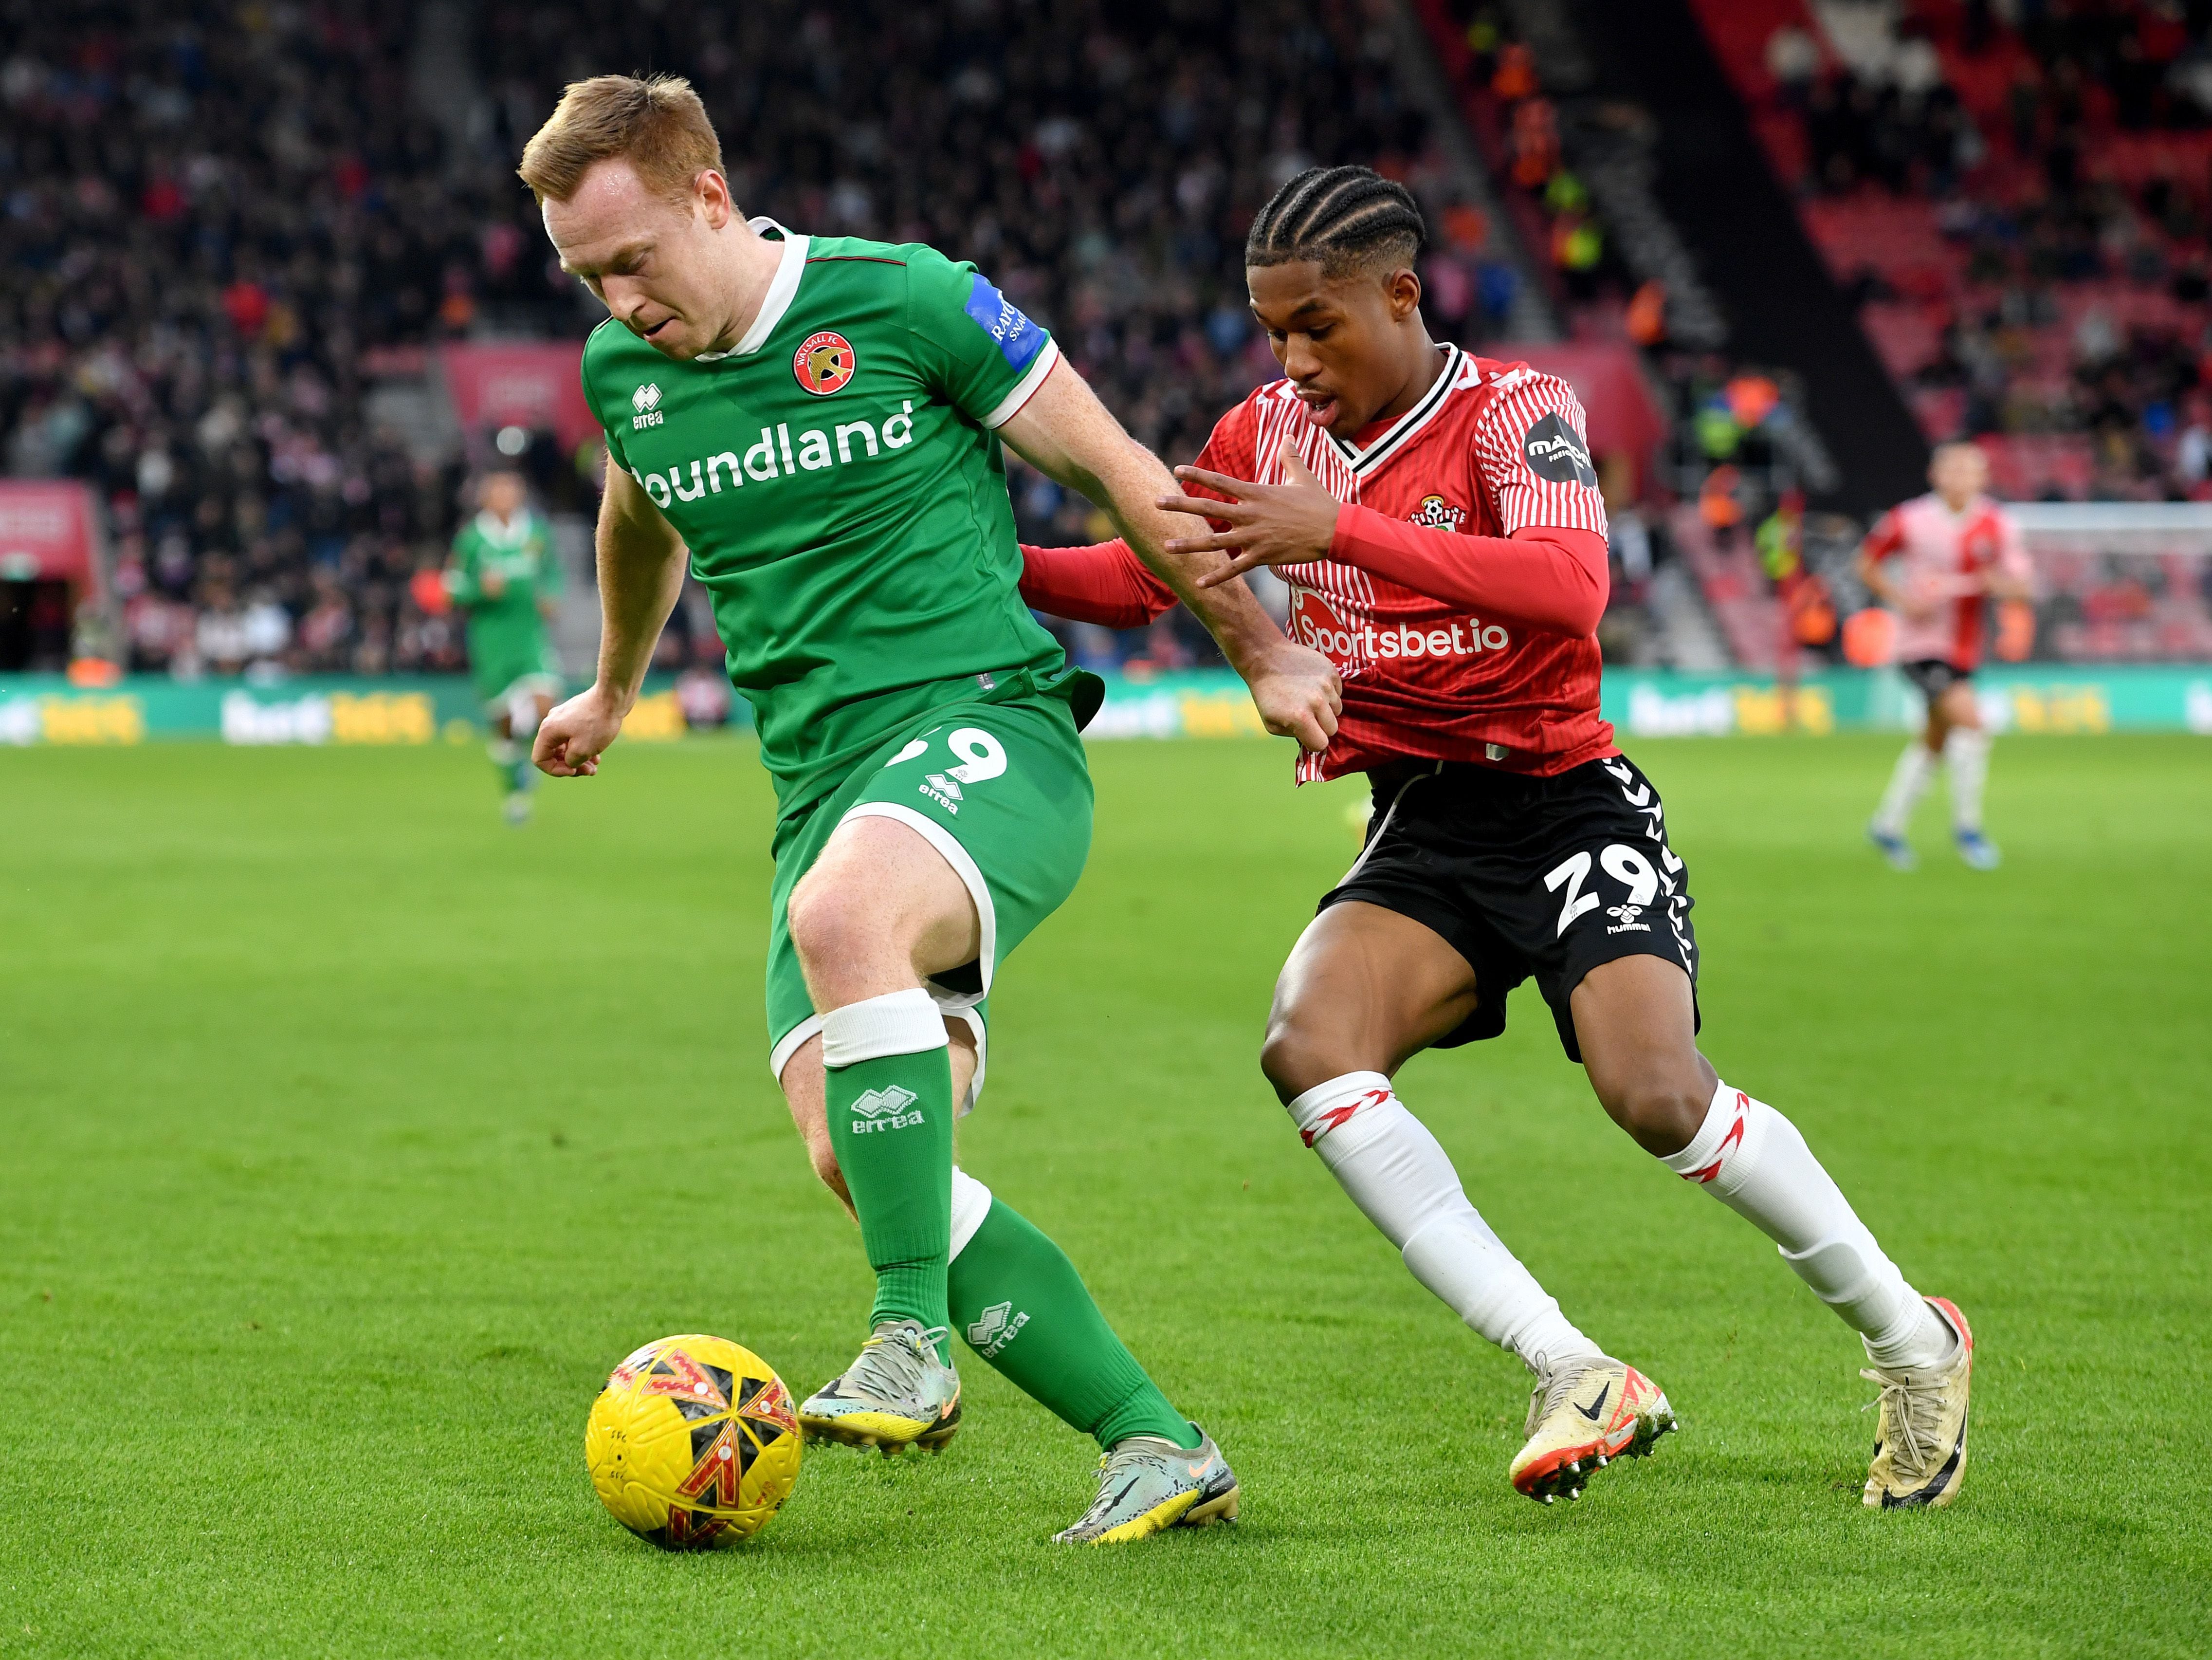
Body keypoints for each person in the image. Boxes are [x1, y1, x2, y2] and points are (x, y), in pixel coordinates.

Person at [1019, 166, 1976, 1511]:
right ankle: (1571, 1364)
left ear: (1401, 294)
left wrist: (1340, 529)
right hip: (1429, 817)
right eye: (1272, 330)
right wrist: (983, 564)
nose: (1292, 360)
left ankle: (1911, 1339)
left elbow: (1572, 589)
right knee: (1309, 1047)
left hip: (1567, 796)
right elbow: (1141, 576)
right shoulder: (1264, 434)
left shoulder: (1516, 409)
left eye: (1318, 325)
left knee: (1654, 1092)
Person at [517, 75, 1340, 1543]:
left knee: (846, 919)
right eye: (587, 277)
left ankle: (909, 1339)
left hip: (988, 731)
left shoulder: (907, 304)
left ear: (709, 196)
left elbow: (1117, 470)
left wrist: (1267, 650)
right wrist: (612, 688)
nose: (618, 300)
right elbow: (637, 515)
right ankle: (1156, 1437)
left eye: (633, 260)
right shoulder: (624, 378)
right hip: (823, 787)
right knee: (862, 1149)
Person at [1857, 443, 2033, 871]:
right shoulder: (1909, 520)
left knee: (1934, 741)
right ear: (1935, 476)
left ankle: (1887, 826)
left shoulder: (1997, 523)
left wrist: (1999, 584)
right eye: (1951, 470)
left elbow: (2021, 587)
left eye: (1969, 471)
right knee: (1971, 723)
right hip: (1919, 648)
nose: (1959, 478)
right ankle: (1968, 830)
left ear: (1982, 478)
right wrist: (1902, 599)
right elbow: (1865, 564)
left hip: (1964, 650)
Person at [444, 470, 565, 824]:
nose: (507, 497)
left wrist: (552, 595)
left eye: (513, 490)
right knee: (505, 724)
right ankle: (515, 792)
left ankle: (529, 757)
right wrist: (481, 591)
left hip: (530, 635)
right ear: (486, 499)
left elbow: (553, 572)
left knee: (546, 706)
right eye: (499, 492)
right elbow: (450, 589)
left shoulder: (536, 533)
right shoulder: (472, 540)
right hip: (491, 641)